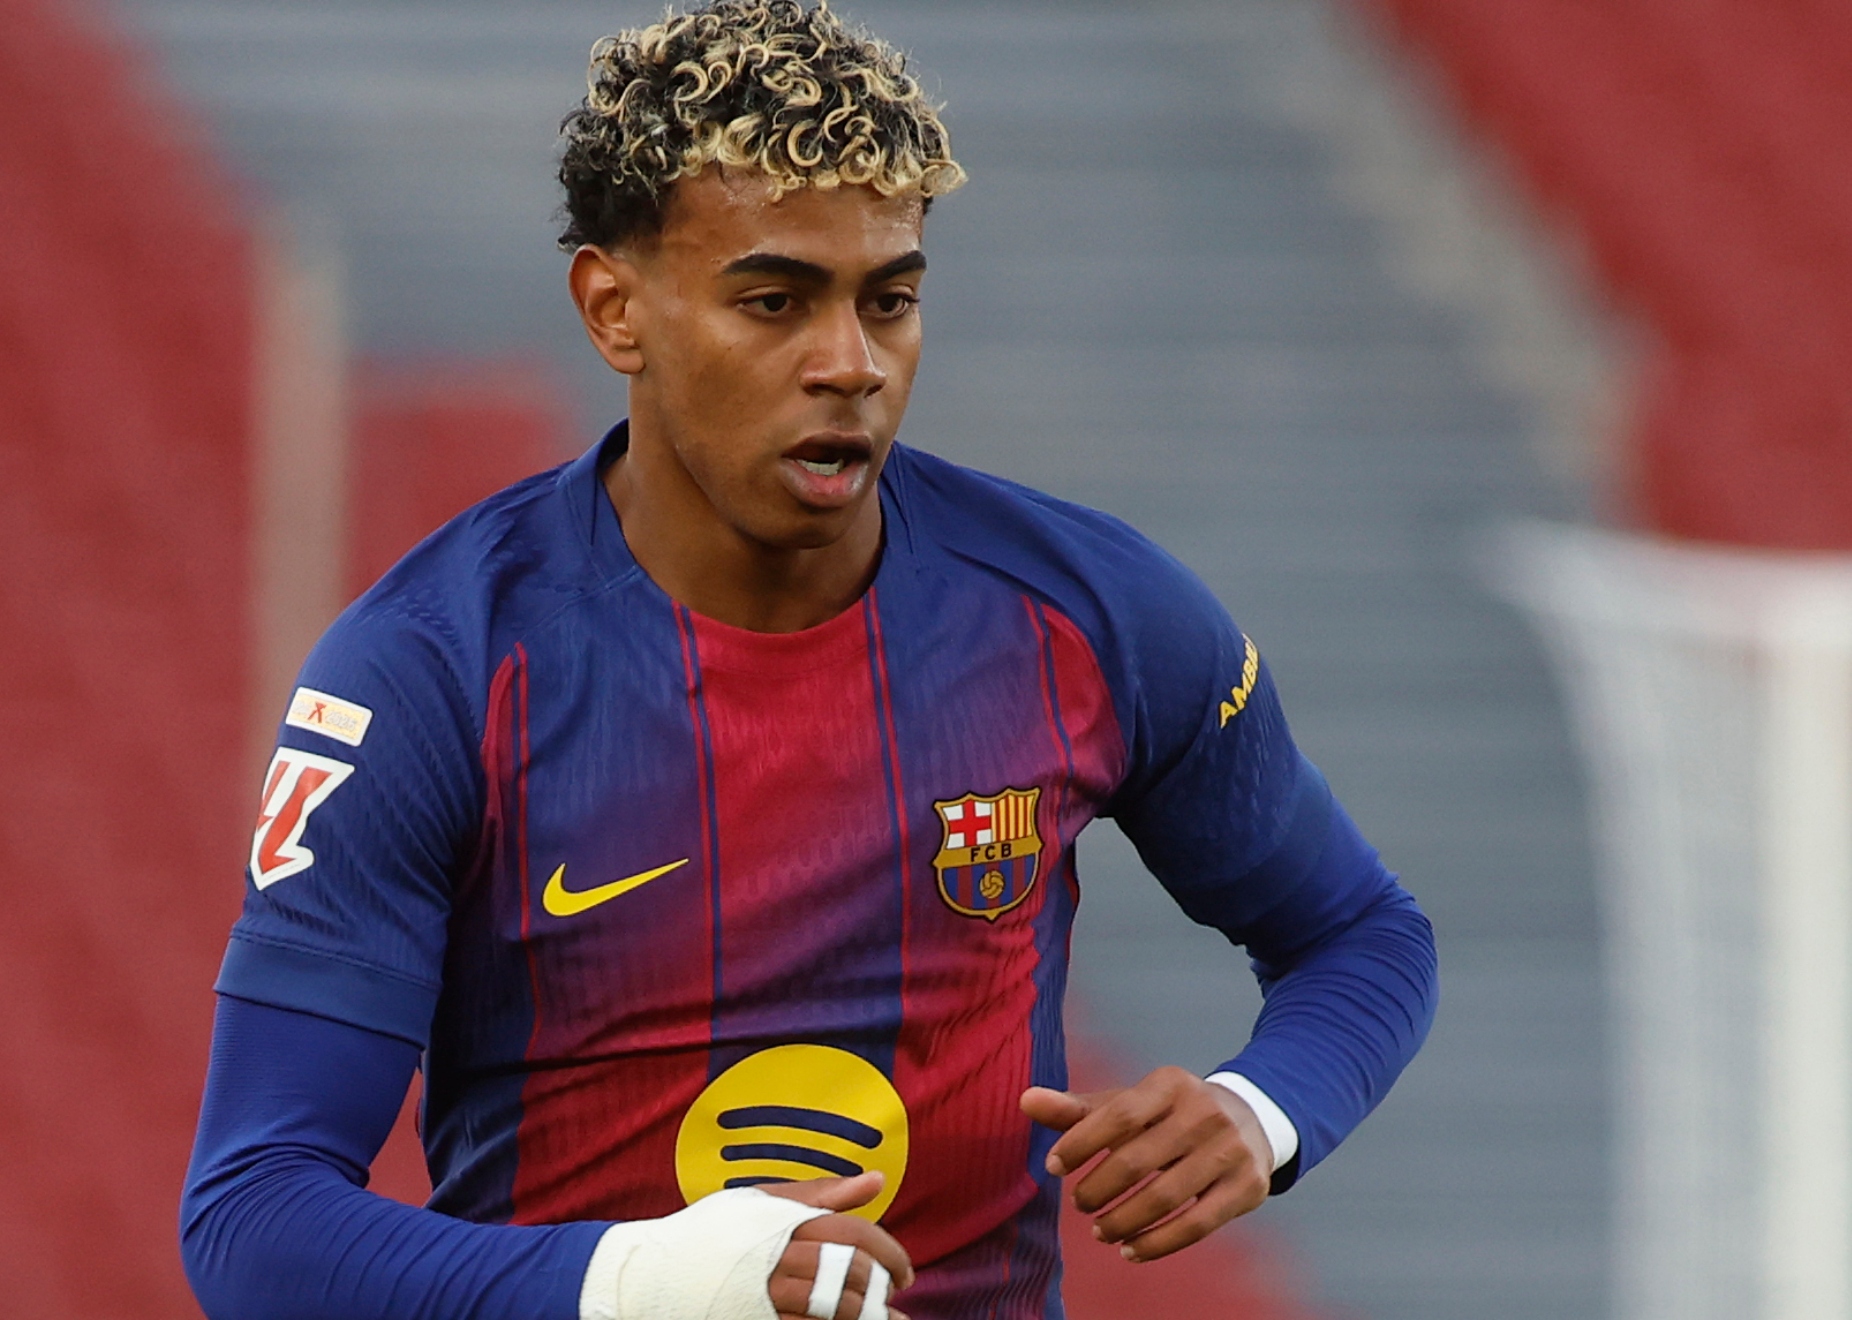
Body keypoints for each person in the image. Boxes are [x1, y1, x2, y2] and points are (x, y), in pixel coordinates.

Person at [179, 4, 1438, 1319]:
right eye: (773, 302)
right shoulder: (429, 675)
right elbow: (254, 1220)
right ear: (615, 309)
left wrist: (1262, 1110)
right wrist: (654, 1282)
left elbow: (1362, 935)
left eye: (889, 302)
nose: (850, 365)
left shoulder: (1092, 615)